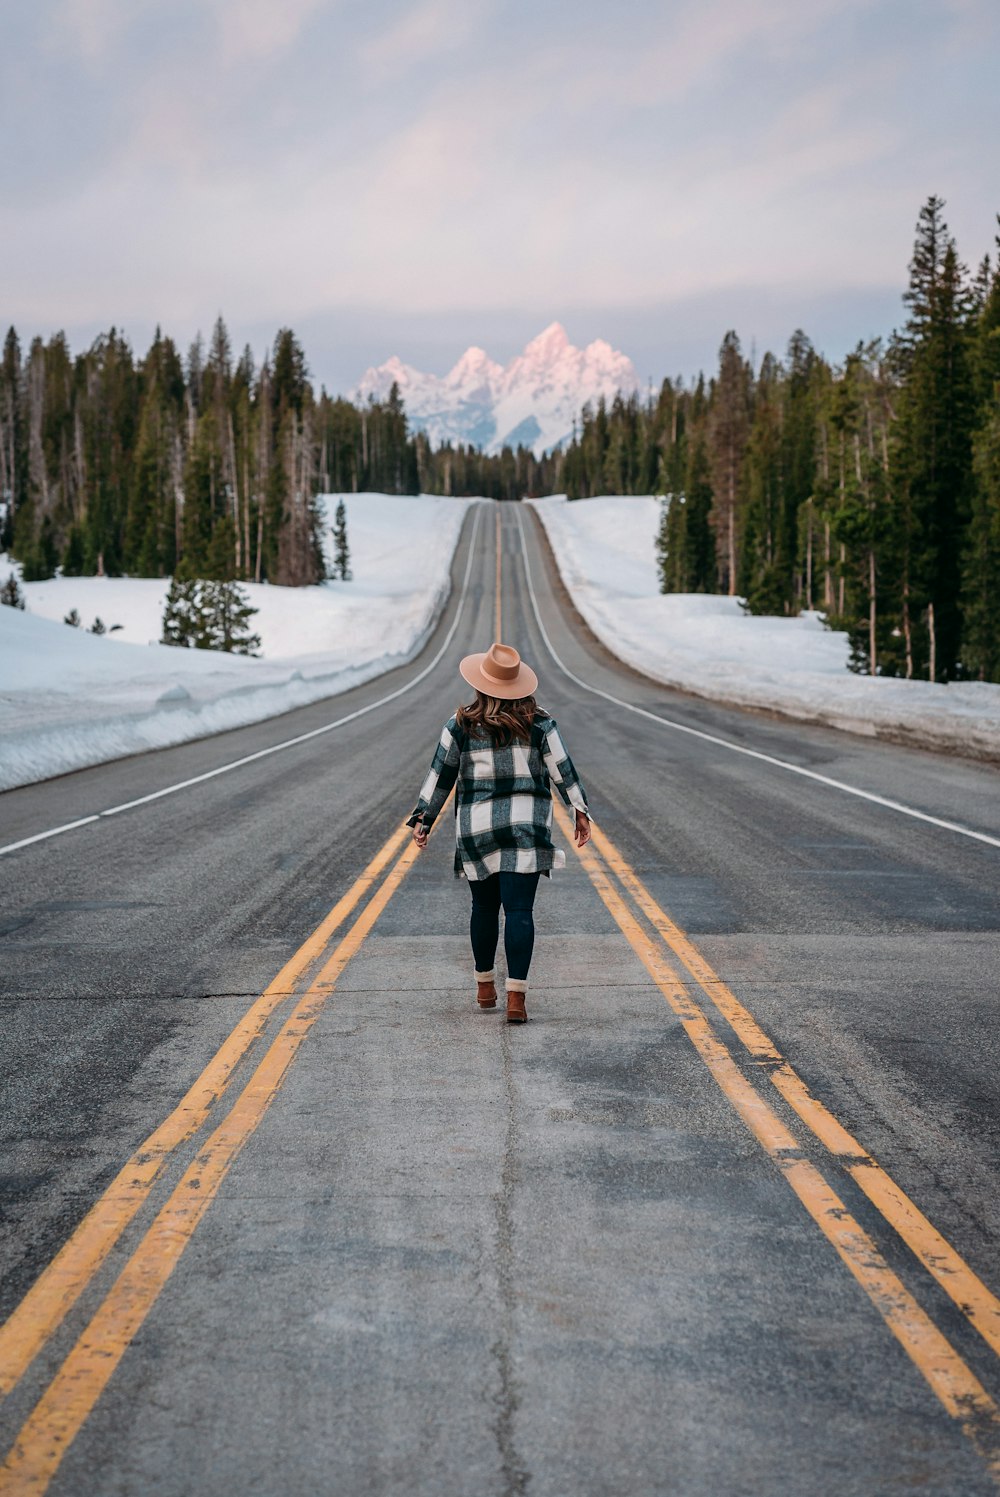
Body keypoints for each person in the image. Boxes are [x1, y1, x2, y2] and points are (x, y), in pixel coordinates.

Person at [407, 641, 591, 1024]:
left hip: (478, 829)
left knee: (485, 908)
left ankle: (485, 985)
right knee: (520, 911)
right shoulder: (540, 724)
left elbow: (440, 775)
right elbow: (563, 770)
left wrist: (423, 818)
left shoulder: (459, 726)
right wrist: (580, 810)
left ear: (480, 684)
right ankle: (517, 998)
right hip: (526, 827)